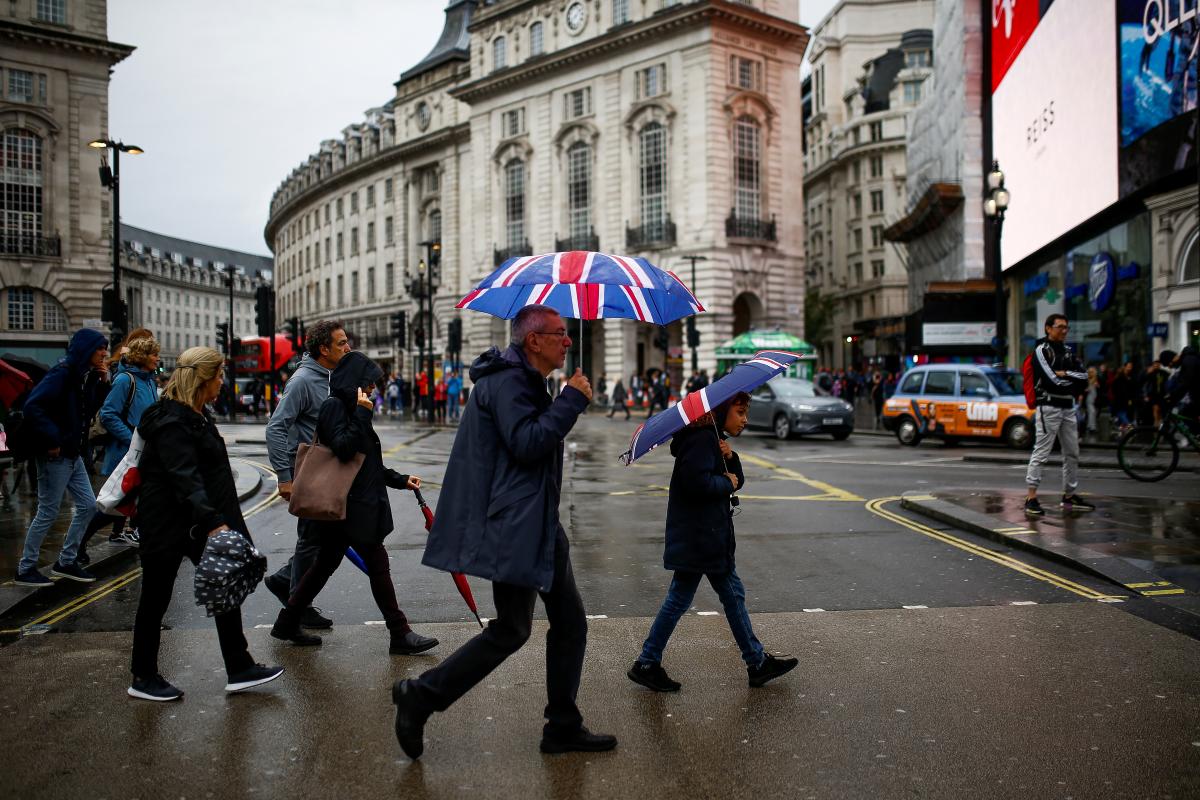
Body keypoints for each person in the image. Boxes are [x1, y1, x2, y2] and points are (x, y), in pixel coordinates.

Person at [392, 304, 615, 760]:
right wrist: (571, 401)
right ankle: (421, 696)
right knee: (512, 629)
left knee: (566, 622)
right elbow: (527, 443)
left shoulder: (523, 380)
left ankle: (562, 725)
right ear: (533, 340)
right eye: (559, 333)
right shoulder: (510, 382)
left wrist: (561, 400)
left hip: (535, 521)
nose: (567, 340)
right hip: (518, 523)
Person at [129, 346, 284, 700]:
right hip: (167, 523)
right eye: (219, 374)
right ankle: (143, 677)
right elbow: (184, 476)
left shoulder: (196, 414)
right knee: (155, 599)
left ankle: (239, 666)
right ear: (202, 379)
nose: (222, 381)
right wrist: (213, 521)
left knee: (224, 584)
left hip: (194, 522)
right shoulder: (171, 421)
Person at [270, 352, 439, 656]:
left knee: (322, 567)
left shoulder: (350, 407)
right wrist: (362, 413)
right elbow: (344, 449)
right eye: (369, 381)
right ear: (354, 381)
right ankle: (399, 633)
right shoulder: (335, 406)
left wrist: (400, 479)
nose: (373, 387)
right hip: (349, 508)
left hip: (351, 507)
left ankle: (287, 621)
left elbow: (366, 463)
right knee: (378, 566)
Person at [628, 391, 798, 693]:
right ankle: (754, 662)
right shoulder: (702, 439)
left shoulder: (713, 439)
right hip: (702, 538)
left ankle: (649, 662)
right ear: (721, 412)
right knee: (716, 596)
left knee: (715, 596)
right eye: (740, 413)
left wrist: (730, 459)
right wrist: (725, 482)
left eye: (746, 413)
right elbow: (695, 483)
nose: (745, 420)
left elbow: (735, 479)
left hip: (704, 537)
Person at [263, 320, 351, 629]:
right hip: (308, 471)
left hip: (329, 471)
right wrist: (284, 476)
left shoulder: (334, 377)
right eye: (341, 343)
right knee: (312, 541)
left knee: (325, 540)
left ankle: (286, 582)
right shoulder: (302, 380)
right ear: (323, 349)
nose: (348, 347)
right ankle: (297, 606)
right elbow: (276, 427)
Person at [14, 328, 110, 587]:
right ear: (86, 349)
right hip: (56, 455)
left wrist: (100, 383)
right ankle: (26, 568)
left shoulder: (81, 376)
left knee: (88, 506)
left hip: (72, 455)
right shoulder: (62, 373)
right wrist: (53, 439)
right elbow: (33, 406)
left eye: (105, 348)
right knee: (48, 511)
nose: (104, 353)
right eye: (100, 348)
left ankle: (66, 561)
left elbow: (86, 411)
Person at [78, 335, 161, 566]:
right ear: (142, 356)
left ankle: (124, 535)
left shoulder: (149, 381)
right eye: (154, 354)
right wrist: (131, 439)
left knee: (131, 502)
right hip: (126, 453)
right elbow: (108, 414)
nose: (157, 358)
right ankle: (78, 544)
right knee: (114, 504)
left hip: (143, 452)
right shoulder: (125, 380)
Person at [1025, 314, 1094, 517]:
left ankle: (1069, 495)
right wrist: (1069, 380)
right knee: (1041, 452)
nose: (1064, 331)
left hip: (1068, 406)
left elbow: (1085, 377)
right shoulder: (1041, 350)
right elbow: (1051, 380)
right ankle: (1031, 498)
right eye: (1060, 327)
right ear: (1048, 328)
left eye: (1066, 327)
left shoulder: (1068, 351)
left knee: (1072, 452)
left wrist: (1067, 374)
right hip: (1048, 406)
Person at [1085, 367, 1100, 434]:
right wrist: (1087, 389)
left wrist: (1097, 386)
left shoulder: (1095, 380)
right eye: (1090, 372)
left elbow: (1100, 388)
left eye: (1092, 372)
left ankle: (1089, 426)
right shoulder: (1087, 380)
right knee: (1092, 412)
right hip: (1089, 399)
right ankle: (1092, 428)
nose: (1091, 373)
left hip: (1094, 399)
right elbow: (1085, 389)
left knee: (1093, 412)